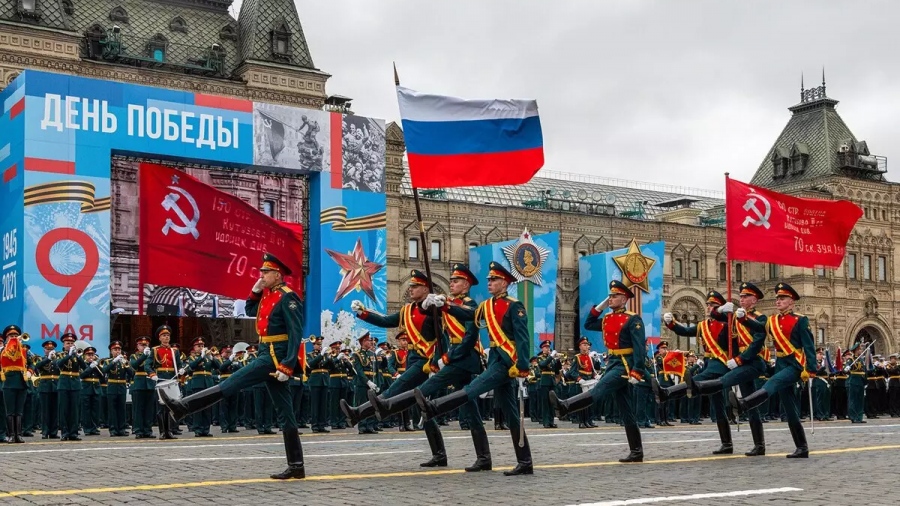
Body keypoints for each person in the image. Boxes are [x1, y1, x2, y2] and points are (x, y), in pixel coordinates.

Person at [159, 253, 306, 480]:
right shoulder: (268, 296)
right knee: (286, 414)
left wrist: (287, 365)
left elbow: (296, 334)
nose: (261, 275)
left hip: (273, 359)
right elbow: (249, 311)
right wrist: (256, 291)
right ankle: (297, 466)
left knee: (230, 383)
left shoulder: (288, 297)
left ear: (278, 275)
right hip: (266, 353)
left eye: (265, 272)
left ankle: (183, 407)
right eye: (261, 272)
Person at [414, 261, 533, 476]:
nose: (489, 283)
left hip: (507, 362)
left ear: (504, 283)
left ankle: (434, 407)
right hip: (496, 357)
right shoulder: (486, 306)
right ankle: (524, 462)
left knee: (474, 388)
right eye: (488, 280)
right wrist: (445, 306)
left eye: (494, 280)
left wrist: (523, 365)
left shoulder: (514, 305)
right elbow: (468, 315)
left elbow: (523, 339)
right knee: (512, 415)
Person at [369, 263, 492, 471]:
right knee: (469, 411)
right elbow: (437, 327)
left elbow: (470, 337)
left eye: (456, 281)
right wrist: (429, 306)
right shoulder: (450, 303)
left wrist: (448, 357)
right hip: (455, 359)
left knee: (424, 391)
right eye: (451, 280)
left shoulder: (471, 305)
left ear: (466, 285)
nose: (451, 284)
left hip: (465, 360)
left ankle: (387, 406)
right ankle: (481, 457)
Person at [342, 270, 447, 465]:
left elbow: (444, 336)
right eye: (411, 285)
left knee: (396, 389)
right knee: (422, 406)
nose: (411, 288)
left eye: (415, 286)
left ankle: (359, 412)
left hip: (426, 361)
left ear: (425, 289)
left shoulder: (433, 309)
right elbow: (385, 321)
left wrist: (440, 360)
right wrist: (363, 313)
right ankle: (439, 454)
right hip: (414, 358)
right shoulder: (407, 310)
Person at [549, 280, 647, 463]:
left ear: (624, 298)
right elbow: (588, 323)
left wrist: (637, 371)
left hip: (624, 365)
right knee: (626, 410)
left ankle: (566, 406)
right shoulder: (608, 319)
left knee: (599, 390)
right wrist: (601, 306)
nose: (611, 298)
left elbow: (639, 346)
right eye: (609, 295)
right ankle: (637, 451)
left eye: (615, 295)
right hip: (613, 362)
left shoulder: (632, 319)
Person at [676, 282, 770, 456]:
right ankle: (759, 445)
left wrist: (739, 359)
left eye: (746, 297)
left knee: (725, 382)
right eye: (740, 296)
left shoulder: (761, 318)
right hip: (739, 362)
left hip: (752, 361)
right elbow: (714, 317)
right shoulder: (734, 317)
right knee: (750, 404)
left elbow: (757, 342)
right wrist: (721, 311)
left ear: (754, 300)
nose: (742, 299)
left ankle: (698, 387)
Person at [731, 282, 817, 458]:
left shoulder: (800, 320)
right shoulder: (772, 320)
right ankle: (802, 447)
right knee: (790, 408)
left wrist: (811, 369)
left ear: (791, 302)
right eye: (777, 298)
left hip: (795, 364)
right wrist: (743, 319)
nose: (778, 301)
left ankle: (743, 404)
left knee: (773, 382)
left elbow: (809, 346)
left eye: (782, 298)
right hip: (781, 363)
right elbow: (759, 328)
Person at [658, 290, 738, 455]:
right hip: (709, 363)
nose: (709, 307)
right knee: (718, 406)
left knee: (696, 380)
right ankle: (727, 444)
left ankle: (667, 392)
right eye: (708, 305)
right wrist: (671, 324)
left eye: (713, 305)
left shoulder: (728, 323)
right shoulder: (703, 325)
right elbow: (685, 332)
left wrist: (728, 313)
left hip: (721, 364)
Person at [1, 325, 33, 443]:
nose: (14, 337)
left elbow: (31, 363)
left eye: (15, 336)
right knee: (10, 410)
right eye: (11, 336)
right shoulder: (3, 350)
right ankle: (11, 435)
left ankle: (18, 435)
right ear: (6, 338)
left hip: (21, 382)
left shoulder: (24, 350)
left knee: (19, 410)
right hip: (8, 382)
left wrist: (30, 372)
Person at [56, 332, 84, 441]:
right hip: (64, 383)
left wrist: (77, 356)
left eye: (72, 343)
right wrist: (68, 355)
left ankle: (74, 433)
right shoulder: (60, 354)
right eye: (68, 343)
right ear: (63, 345)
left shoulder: (76, 356)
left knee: (74, 410)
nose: (70, 344)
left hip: (75, 384)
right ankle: (65, 432)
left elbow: (84, 366)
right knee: (64, 409)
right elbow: (58, 364)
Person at [102, 341, 130, 436]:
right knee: (112, 409)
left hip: (121, 387)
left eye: (119, 349)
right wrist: (114, 361)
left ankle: (121, 429)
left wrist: (125, 363)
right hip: (112, 387)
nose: (117, 351)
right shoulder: (107, 361)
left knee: (122, 409)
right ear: (111, 351)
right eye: (115, 350)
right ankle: (113, 430)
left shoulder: (124, 361)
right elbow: (104, 370)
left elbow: (132, 373)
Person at [130, 336, 156, 438]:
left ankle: (147, 430)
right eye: (142, 345)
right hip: (139, 384)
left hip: (149, 383)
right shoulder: (134, 356)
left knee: (149, 409)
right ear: (138, 346)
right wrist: (144, 356)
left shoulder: (152, 356)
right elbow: (134, 366)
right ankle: (138, 430)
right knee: (138, 409)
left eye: (146, 345)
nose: (144, 346)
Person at [34, 339, 60, 439]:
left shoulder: (58, 360)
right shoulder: (41, 359)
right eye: (47, 349)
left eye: (52, 349)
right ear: (44, 350)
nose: (50, 350)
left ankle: (53, 432)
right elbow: (37, 368)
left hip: (56, 386)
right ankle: (45, 431)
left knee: (54, 410)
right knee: (45, 410)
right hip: (45, 386)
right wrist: (48, 359)